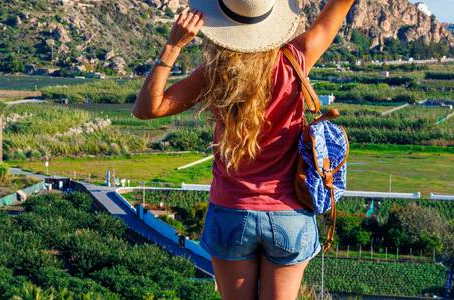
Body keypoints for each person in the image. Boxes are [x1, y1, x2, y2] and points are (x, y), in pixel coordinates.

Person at [132, 0, 354, 298]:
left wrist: (174, 45)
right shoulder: (297, 58)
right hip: (289, 213)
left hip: (231, 212)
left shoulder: (214, 72)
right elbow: (339, 7)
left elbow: (148, 108)